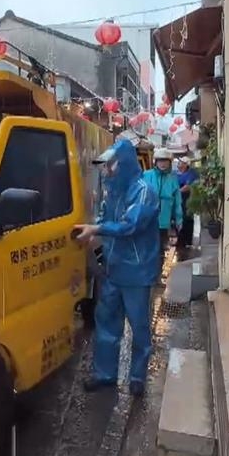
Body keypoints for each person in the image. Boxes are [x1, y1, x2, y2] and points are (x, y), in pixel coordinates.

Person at [74, 139, 160, 397]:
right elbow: (104, 218)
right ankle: (105, 374)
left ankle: (137, 377)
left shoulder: (144, 191)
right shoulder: (113, 191)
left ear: (122, 164)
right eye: (105, 166)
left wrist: (97, 229)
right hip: (112, 268)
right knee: (107, 323)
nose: (106, 171)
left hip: (137, 271)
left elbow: (130, 225)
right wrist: (93, 232)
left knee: (139, 326)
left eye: (110, 166)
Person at [142, 148, 183, 280]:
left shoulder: (172, 179)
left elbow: (177, 201)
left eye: (165, 161)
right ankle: (145, 273)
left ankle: (156, 275)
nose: (163, 164)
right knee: (146, 248)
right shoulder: (146, 175)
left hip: (163, 221)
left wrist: (179, 219)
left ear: (170, 163)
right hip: (147, 220)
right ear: (156, 162)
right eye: (160, 161)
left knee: (159, 250)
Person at [175, 156, 198, 254]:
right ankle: (180, 240)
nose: (179, 164)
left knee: (187, 219)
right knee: (179, 218)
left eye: (181, 162)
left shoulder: (191, 174)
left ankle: (187, 241)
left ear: (185, 164)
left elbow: (188, 187)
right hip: (178, 199)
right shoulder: (175, 174)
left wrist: (177, 192)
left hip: (187, 199)